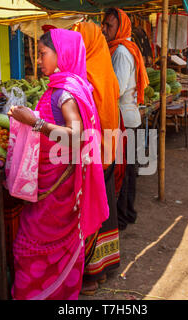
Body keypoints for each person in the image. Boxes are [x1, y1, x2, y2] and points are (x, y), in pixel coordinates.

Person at [8, 29, 109, 300]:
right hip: (53, 185)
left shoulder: (65, 93)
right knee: (36, 248)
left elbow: (77, 138)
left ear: (61, 54)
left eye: (42, 53)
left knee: (30, 248)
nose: (38, 59)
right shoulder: (61, 87)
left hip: (58, 191)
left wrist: (34, 123)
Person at [73, 22, 122, 295]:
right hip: (108, 148)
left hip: (94, 152)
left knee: (91, 210)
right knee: (106, 209)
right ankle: (105, 268)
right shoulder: (104, 65)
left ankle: (91, 276)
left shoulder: (87, 72)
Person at [101, 7, 149, 231]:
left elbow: (116, 88)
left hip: (124, 120)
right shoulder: (121, 48)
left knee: (125, 172)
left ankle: (123, 215)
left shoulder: (120, 51)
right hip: (129, 119)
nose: (104, 29)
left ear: (120, 27)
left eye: (109, 25)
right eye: (104, 24)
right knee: (128, 171)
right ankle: (127, 213)